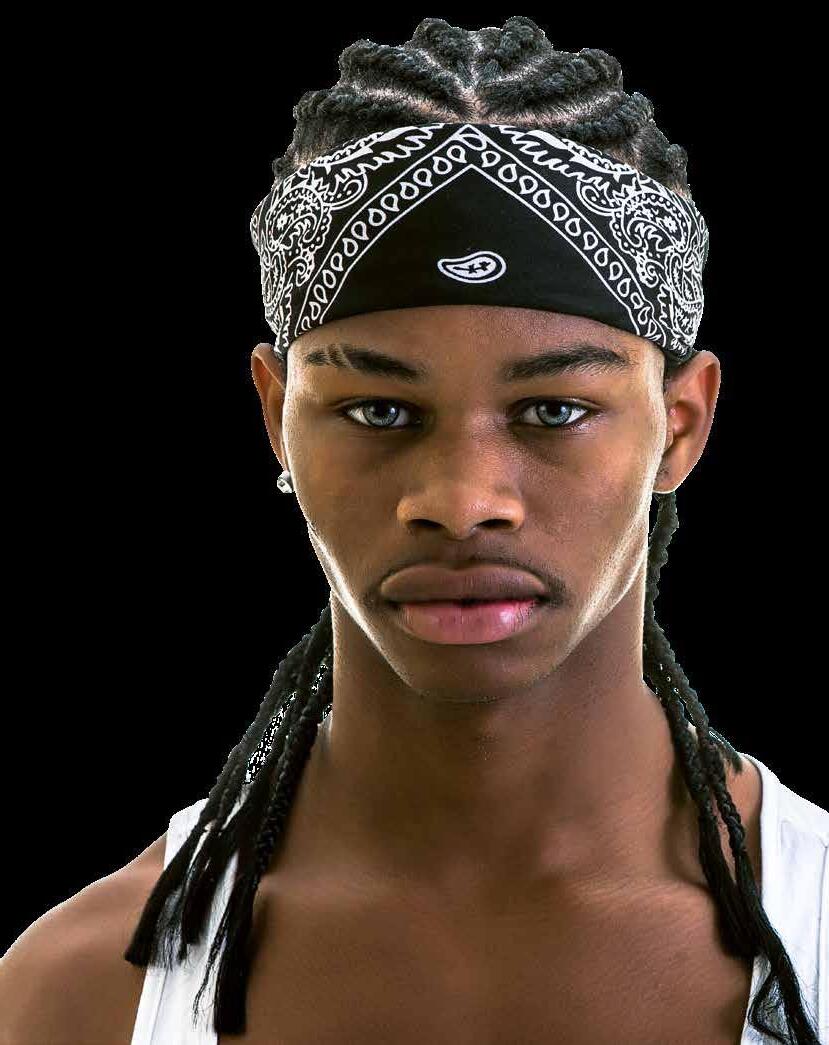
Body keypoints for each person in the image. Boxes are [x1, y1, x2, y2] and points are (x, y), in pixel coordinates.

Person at [1, 17, 825, 1045]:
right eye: (381, 410)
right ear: (278, 417)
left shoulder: (815, 930)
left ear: (680, 426)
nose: (463, 499)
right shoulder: (83, 994)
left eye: (553, 411)